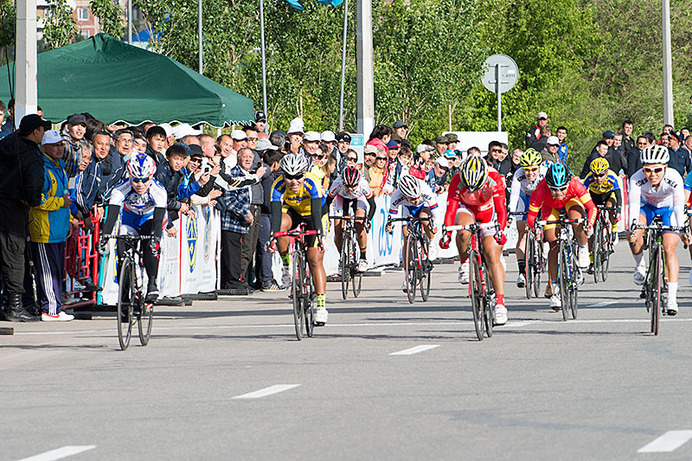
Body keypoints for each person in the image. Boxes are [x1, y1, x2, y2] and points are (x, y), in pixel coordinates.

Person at [438, 154, 508, 324]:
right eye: (469, 186)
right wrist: (447, 234)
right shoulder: (457, 179)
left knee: (492, 254)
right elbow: (451, 211)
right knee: (463, 231)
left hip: (488, 211)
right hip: (467, 209)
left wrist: (501, 230)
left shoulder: (494, 178)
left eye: (475, 186)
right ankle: (465, 263)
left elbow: (501, 210)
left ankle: (500, 303)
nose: (472, 190)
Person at [0, 114, 50, 322]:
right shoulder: (32, 154)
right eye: (42, 130)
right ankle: (14, 306)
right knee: (14, 256)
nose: (43, 134)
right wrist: (32, 201)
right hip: (13, 209)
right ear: (35, 132)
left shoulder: (5, 143)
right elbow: (34, 186)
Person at [526, 163, 596, 310]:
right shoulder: (540, 190)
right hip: (550, 208)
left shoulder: (575, 185)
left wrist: (589, 225)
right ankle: (555, 288)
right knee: (553, 243)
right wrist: (535, 229)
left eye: (562, 188)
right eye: (554, 189)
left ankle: (582, 249)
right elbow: (531, 217)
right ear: (548, 185)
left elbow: (591, 208)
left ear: (568, 184)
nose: (558, 192)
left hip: (571, 201)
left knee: (576, 220)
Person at [269, 153, 329, 326]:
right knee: (280, 226)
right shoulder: (278, 185)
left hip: (314, 213)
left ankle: (321, 306)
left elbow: (317, 214)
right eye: (289, 177)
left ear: (304, 173)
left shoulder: (312, 182)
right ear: (283, 175)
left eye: (298, 177)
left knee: (314, 259)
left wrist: (318, 234)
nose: (294, 181)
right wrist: (273, 236)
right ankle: (287, 266)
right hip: (293, 212)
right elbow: (275, 216)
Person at [99, 154, 167, 302]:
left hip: (149, 218)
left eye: (145, 180)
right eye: (135, 179)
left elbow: (158, 219)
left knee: (151, 246)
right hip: (130, 219)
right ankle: (123, 295)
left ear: (151, 177)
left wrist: (156, 238)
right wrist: (105, 235)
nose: (140, 184)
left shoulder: (158, 190)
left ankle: (152, 283)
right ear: (130, 176)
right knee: (122, 252)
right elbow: (112, 215)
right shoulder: (120, 188)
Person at [628, 145, 685, 315]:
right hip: (646, 208)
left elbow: (678, 206)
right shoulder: (636, 178)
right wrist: (633, 227)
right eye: (647, 170)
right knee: (633, 236)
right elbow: (633, 205)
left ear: (665, 167)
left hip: (668, 209)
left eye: (657, 170)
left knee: (669, 249)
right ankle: (640, 265)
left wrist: (681, 228)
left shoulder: (674, 177)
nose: (652, 174)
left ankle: (672, 298)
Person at [28, 130, 73, 321]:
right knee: (47, 271)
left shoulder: (61, 168)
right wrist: (60, 203)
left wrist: (70, 220)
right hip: (44, 229)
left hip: (58, 228)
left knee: (56, 270)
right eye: (55, 145)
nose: (59, 148)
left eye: (61, 144)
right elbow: (37, 199)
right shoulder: (42, 169)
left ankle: (56, 307)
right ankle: (50, 309)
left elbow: (66, 197)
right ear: (44, 147)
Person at [220, 148, 265, 295]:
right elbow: (229, 199)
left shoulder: (250, 175)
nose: (247, 159)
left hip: (246, 219)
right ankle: (234, 282)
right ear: (238, 158)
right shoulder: (234, 174)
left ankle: (240, 280)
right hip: (233, 221)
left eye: (250, 157)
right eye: (244, 156)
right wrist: (245, 212)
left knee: (246, 250)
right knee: (235, 253)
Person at [385, 175, 438, 291]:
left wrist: (435, 226)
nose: (416, 200)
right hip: (407, 209)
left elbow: (436, 213)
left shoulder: (424, 189)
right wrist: (390, 225)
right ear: (404, 195)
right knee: (406, 236)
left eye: (417, 197)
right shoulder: (397, 196)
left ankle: (431, 243)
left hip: (425, 206)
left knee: (423, 218)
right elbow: (392, 215)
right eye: (413, 199)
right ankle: (407, 276)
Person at [507, 148, 547, 288]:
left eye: (533, 169)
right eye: (527, 169)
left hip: (542, 200)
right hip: (525, 199)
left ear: (539, 167)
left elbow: (549, 195)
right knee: (522, 233)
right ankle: (522, 272)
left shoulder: (545, 172)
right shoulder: (518, 174)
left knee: (546, 227)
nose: (530, 173)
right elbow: (514, 195)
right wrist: (510, 212)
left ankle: (543, 247)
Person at [326, 166, 376, 272]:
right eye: (347, 186)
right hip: (341, 199)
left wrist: (368, 220)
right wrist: (327, 218)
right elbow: (327, 202)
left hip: (358, 199)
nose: (350, 189)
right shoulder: (337, 183)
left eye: (353, 186)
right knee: (338, 230)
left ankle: (363, 257)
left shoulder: (363, 184)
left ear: (358, 182)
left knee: (359, 224)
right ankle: (342, 258)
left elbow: (372, 205)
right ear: (343, 182)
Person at [583, 157, 622, 270]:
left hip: (609, 195)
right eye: (595, 175)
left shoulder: (612, 177)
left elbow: (619, 195)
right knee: (592, 230)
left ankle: (613, 228)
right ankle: (591, 260)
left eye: (601, 175)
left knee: (610, 207)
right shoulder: (588, 178)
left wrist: (618, 210)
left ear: (606, 173)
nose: (598, 178)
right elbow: (582, 195)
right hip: (594, 197)